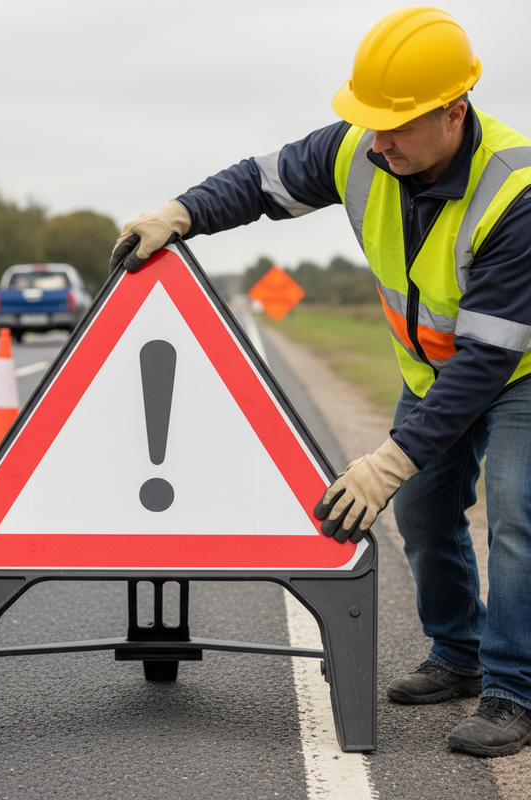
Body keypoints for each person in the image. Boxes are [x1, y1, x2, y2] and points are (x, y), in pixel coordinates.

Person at [109, 6, 531, 758]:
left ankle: (512, 690)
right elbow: (259, 184)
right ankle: (456, 656)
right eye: (370, 122)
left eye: (396, 126)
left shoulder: (517, 191)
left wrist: (388, 459)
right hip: (431, 368)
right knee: (427, 516)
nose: (378, 141)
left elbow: (489, 359)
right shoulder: (363, 151)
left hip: (515, 372)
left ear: (454, 112)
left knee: (515, 518)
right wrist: (177, 213)